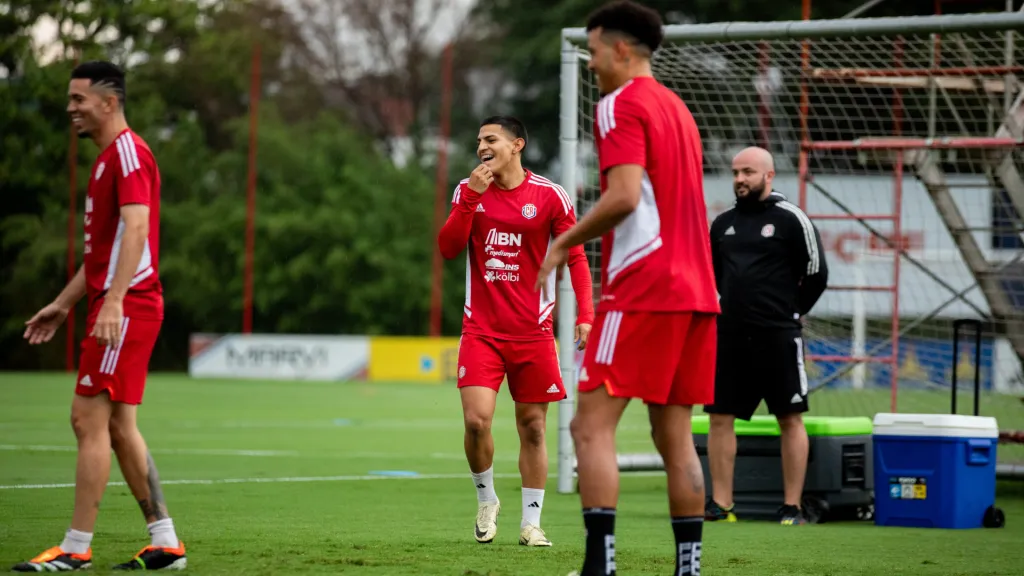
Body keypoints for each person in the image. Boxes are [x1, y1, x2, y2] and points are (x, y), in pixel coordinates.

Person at [536, 2, 720, 574]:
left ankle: (600, 567)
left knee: (588, 425)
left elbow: (624, 196)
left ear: (620, 49)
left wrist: (563, 243)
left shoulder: (621, 103)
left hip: (645, 287)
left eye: (592, 51)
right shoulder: (678, 108)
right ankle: (687, 569)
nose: (590, 64)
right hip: (698, 293)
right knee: (676, 437)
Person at [13, 61, 186, 572]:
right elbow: (104, 251)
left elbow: (137, 231)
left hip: (127, 305)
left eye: (78, 99)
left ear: (109, 103)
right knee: (118, 426)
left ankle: (74, 548)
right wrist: (65, 303)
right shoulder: (108, 158)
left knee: (87, 417)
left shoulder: (128, 154)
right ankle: (165, 543)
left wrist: (110, 302)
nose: (71, 108)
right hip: (123, 302)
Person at [437, 115, 595, 547]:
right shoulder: (467, 191)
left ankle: (531, 523)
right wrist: (470, 197)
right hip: (481, 330)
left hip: (533, 332)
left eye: (490, 139)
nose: (482, 147)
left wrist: (586, 312)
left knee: (534, 429)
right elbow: (448, 248)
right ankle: (487, 500)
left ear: (517, 144)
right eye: (478, 141)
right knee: (476, 421)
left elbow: (576, 257)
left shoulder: (549, 196)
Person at [704, 146, 829, 526]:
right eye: (736, 172)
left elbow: (817, 274)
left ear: (768, 176)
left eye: (748, 172)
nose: (740, 179)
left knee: (790, 417)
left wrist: (790, 313)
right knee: (720, 417)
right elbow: (711, 276)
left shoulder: (793, 219)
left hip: (778, 337)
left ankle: (791, 507)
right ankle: (721, 505)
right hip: (729, 337)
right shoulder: (722, 223)